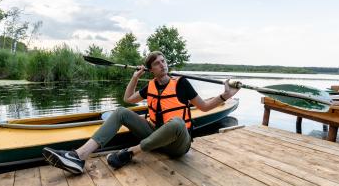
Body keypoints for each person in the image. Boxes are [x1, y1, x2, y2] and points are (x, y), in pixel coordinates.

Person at [42, 51, 239, 174]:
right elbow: (128, 99)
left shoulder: (181, 84)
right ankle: (79, 156)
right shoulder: (151, 85)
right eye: (157, 63)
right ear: (151, 69)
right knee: (120, 111)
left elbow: (204, 107)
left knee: (177, 122)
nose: (162, 65)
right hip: (154, 137)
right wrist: (135, 78)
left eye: (163, 61)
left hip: (178, 144)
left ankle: (129, 152)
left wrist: (224, 96)